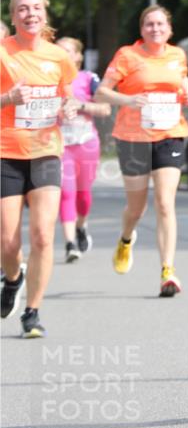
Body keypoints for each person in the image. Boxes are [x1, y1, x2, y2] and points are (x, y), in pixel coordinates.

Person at [95, 5, 188, 297]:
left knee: (165, 202)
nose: (155, 29)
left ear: (169, 29)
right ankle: (126, 239)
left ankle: (168, 270)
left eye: (160, 24)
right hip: (133, 138)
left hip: (170, 134)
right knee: (136, 208)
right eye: (149, 24)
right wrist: (128, 99)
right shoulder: (128, 55)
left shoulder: (177, 56)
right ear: (142, 30)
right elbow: (102, 92)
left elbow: (184, 88)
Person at [0, 0, 77, 337]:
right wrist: (8, 98)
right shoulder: (2, 52)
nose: (30, 13)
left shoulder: (59, 56)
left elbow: (69, 95)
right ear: (13, 15)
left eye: (35, 8)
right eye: (22, 9)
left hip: (46, 151)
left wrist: (71, 107)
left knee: (44, 236)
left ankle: (32, 312)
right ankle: (12, 279)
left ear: (44, 13)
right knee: (8, 243)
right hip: (7, 153)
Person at [56, 37, 111, 263]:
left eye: (68, 51)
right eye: (59, 51)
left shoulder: (88, 79)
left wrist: (81, 106)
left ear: (78, 56)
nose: (63, 55)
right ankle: (70, 244)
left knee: (83, 196)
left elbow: (105, 109)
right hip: (60, 145)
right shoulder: (49, 81)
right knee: (66, 193)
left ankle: (81, 225)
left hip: (86, 143)